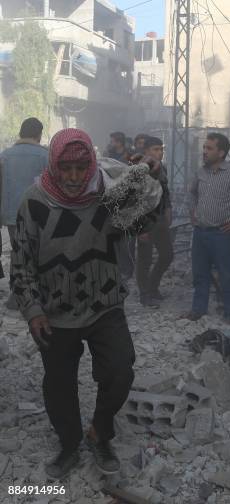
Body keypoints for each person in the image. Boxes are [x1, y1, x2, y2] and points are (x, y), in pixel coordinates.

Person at [10, 128, 162, 480]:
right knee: (59, 384)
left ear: (92, 163)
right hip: (55, 313)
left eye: (82, 167)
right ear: (54, 164)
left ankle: (100, 431)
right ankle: (68, 442)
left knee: (121, 370)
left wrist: (153, 173)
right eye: (67, 168)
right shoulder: (34, 202)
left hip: (104, 305)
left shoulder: (108, 194)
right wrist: (33, 311)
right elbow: (21, 263)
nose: (75, 177)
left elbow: (148, 217)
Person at [184, 133, 230, 325]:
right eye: (204, 147)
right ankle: (198, 310)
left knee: (227, 275)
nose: (204, 151)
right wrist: (192, 212)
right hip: (200, 233)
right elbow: (191, 193)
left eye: (209, 148)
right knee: (200, 275)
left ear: (221, 152)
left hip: (223, 235)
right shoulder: (201, 172)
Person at [0, 117, 48, 309]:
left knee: (18, 252)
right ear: (39, 134)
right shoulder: (45, 155)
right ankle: (39, 295)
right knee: (40, 253)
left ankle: (16, 296)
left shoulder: (5, 155)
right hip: (41, 214)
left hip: (12, 215)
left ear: (21, 132)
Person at [136, 136, 174, 306]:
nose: (160, 152)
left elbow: (165, 192)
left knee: (167, 255)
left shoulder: (162, 168)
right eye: (155, 149)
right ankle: (144, 294)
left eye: (161, 149)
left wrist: (168, 210)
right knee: (145, 259)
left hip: (159, 219)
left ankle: (153, 287)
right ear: (146, 151)